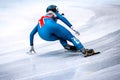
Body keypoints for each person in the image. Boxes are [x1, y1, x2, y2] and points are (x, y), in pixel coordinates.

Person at [29, 5, 95, 56]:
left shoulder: (41, 19)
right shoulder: (53, 13)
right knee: (70, 37)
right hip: (51, 25)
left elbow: (31, 34)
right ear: (54, 10)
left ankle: (66, 46)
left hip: (43, 35)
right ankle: (83, 50)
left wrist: (32, 46)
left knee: (60, 36)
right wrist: (72, 28)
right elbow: (62, 18)